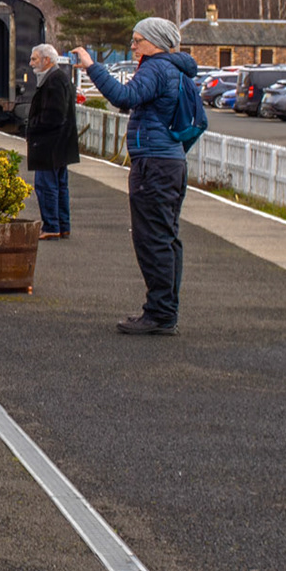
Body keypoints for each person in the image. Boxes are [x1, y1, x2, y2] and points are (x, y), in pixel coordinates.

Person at [71, 18, 205, 335]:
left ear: (155, 42)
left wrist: (92, 66)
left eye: (137, 40)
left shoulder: (156, 68)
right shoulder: (174, 68)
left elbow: (123, 97)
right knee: (167, 237)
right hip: (170, 163)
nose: (133, 46)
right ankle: (163, 310)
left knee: (152, 239)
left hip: (154, 166)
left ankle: (159, 314)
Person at [23, 43, 80, 239]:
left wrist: (33, 126)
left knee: (46, 186)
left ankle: (51, 226)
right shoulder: (61, 78)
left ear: (47, 60)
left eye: (34, 59)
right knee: (59, 186)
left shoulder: (53, 81)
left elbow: (55, 114)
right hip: (61, 144)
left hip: (49, 144)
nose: (31, 63)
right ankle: (62, 225)